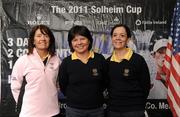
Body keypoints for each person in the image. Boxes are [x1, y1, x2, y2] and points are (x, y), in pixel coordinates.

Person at [11, 25, 61, 117]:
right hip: (30, 113)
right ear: (33, 41)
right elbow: (15, 86)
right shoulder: (23, 60)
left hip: (53, 112)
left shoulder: (57, 60)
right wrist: (25, 104)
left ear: (50, 40)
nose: (43, 38)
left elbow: (58, 84)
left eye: (46, 36)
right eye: (39, 36)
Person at [58, 25, 107, 117]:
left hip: (96, 109)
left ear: (89, 40)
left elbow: (105, 82)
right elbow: (63, 86)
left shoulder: (100, 59)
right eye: (75, 40)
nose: (79, 43)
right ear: (71, 43)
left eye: (82, 39)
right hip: (74, 110)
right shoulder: (66, 62)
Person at [106, 24, 151, 117]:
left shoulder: (138, 60)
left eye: (122, 35)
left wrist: (138, 107)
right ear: (111, 38)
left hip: (134, 111)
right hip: (113, 111)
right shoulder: (107, 62)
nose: (118, 38)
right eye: (115, 35)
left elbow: (145, 86)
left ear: (128, 39)